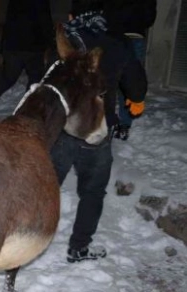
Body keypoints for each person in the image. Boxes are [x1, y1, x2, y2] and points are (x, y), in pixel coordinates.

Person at [51, 0, 147, 263]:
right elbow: (136, 84)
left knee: (46, 185)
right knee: (93, 192)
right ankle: (79, 248)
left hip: (63, 128)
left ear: (73, 14)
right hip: (97, 131)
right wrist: (136, 100)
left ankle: (25, 233)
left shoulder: (63, 40)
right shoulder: (118, 42)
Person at [0, 0, 54, 117]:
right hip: (33, 46)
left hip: (12, 45)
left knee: (8, 77)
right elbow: (45, 21)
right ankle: (27, 109)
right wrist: (52, 42)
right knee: (35, 78)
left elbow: (8, 22)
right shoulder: (41, 2)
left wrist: (3, 46)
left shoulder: (14, 3)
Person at [103, 0, 157, 140]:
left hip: (114, 35)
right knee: (128, 81)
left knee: (109, 79)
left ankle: (109, 123)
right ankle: (122, 125)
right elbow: (149, 16)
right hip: (130, 34)